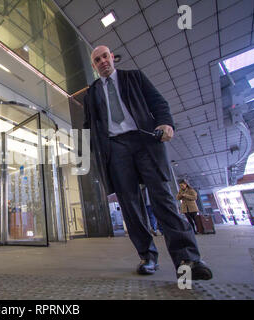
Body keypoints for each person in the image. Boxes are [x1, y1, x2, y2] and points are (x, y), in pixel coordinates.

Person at [83, 45, 212, 280]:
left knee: (162, 198)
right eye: (97, 59)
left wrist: (166, 123)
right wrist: (90, 153)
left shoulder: (134, 77)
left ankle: (188, 259)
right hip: (115, 149)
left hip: (145, 141)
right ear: (93, 66)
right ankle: (147, 256)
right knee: (131, 207)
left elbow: (158, 103)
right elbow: (87, 126)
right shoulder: (91, 94)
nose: (102, 61)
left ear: (112, 58)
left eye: (105, 56)